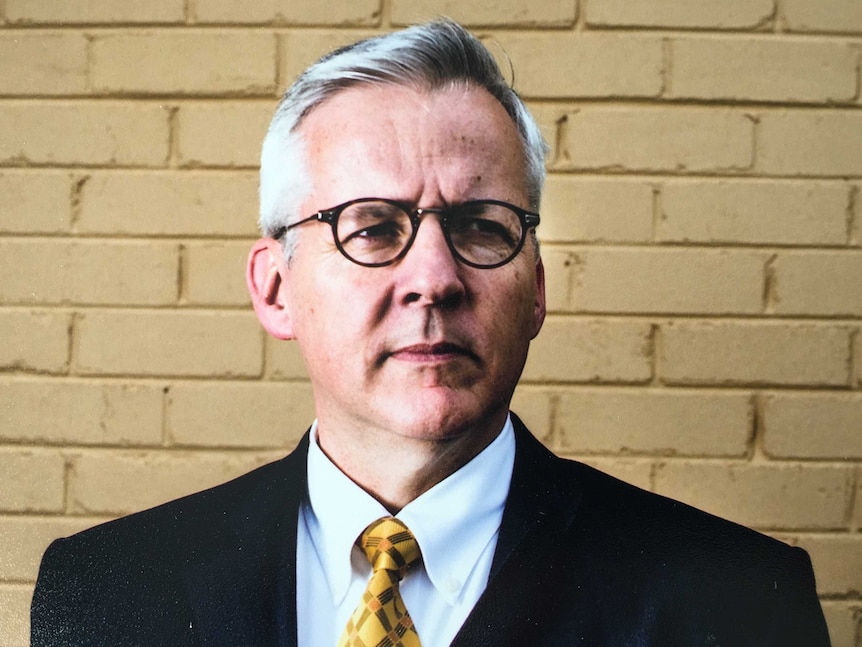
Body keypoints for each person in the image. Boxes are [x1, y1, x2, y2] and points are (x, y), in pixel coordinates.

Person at [31, 19, 830, 647]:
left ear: (538, 290)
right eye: (373, 227)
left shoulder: (736, 600)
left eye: (482, 226)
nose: (435, 277)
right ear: (275, 289)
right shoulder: (110, 591)